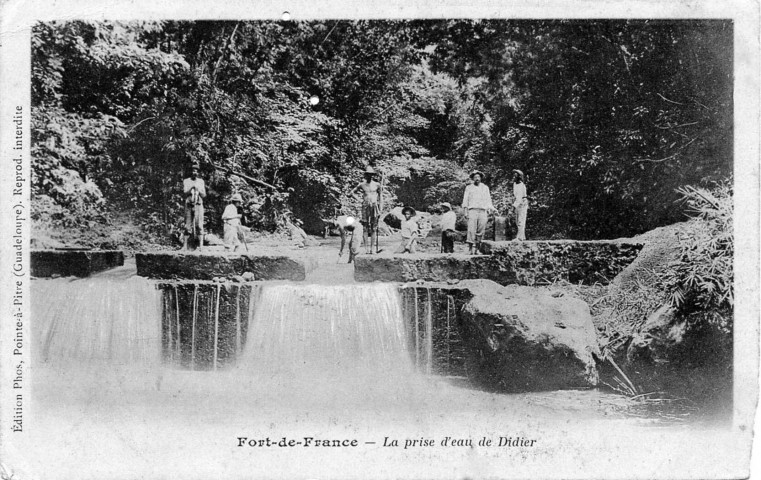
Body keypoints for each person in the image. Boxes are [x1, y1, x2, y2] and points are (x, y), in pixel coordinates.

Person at [348, 166, 382, 254]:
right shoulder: (362, 184)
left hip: (374, 206)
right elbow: (351, 193)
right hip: (365, 206)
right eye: (368, 174)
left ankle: (372, 248)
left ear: (373, 175)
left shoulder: (377, 185)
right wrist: (360, 200)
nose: (369, 176)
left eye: (371, 175)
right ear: (365, 175)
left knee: (374, 227)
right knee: (365, 227)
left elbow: (381, 197)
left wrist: (380, 209)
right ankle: (366, 248)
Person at [461, 170, 494, 254]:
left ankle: (477, 249)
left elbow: (488, 200)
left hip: (483, 210)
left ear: (481, 178)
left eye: (478, 177)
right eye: (475, 177)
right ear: (472, 179)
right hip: (472, 210)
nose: (477, 179)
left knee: (481, 230)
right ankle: (470, 248)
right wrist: (465, 211)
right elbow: (465, 200)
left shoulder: (485, 188)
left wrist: (490, 209)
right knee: (471, 229)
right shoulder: (469, 188)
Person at [183, 162, 206, 249]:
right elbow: (185, 192)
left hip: (198, 204)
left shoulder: (201, 181)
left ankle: (201, 246)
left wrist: (198, 189)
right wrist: (191, 187)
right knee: (187, 225)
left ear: (198, 173)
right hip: (189, 204)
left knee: (199, 225)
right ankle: (185, 246)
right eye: (193, 171)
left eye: (196, 171)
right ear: (190, 172)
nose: (194, 173)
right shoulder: (186, 181)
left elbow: (204, 195)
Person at [512, 169, 529, 241]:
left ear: (519, 177)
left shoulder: (521, 185)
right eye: (513, 176)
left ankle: (520, 237)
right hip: (518, 202)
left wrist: (514, 206)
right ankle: (522, 236)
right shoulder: (515, 184)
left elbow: (519, 198)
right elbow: (515, 196)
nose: (513, 177)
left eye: (515, 176)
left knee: (521, 220)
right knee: (517, 220)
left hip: (522, 202)